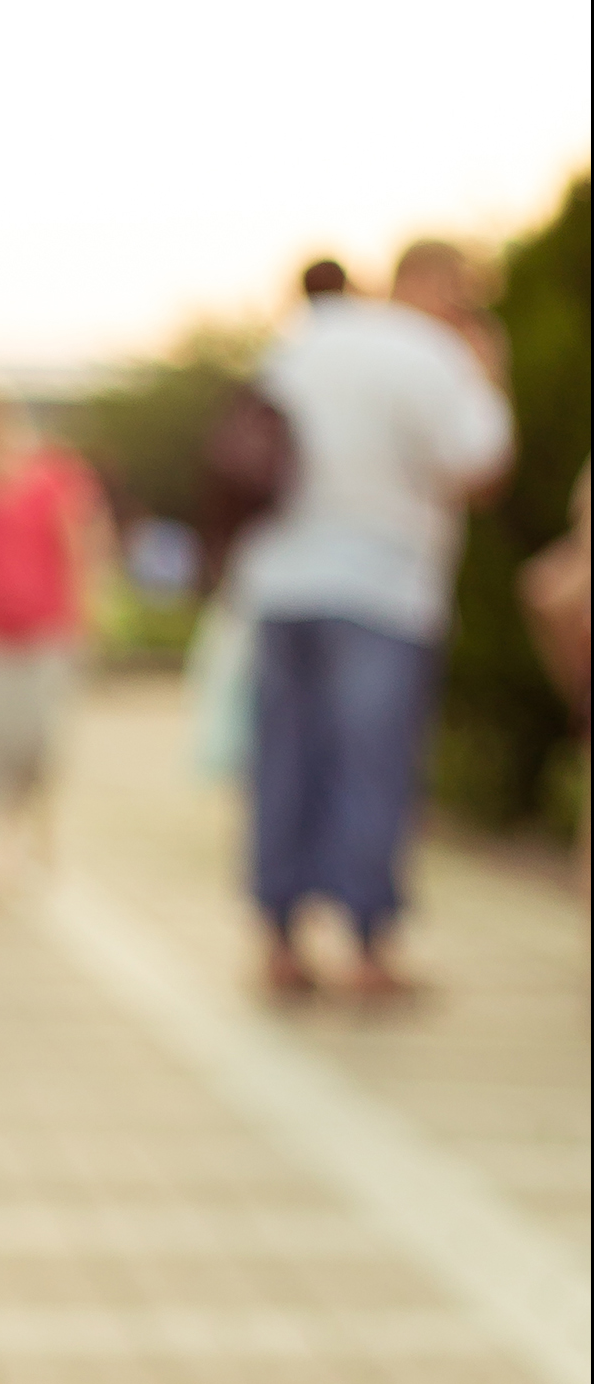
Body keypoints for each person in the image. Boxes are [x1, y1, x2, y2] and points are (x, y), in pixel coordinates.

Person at [237, 242, 511, 1001]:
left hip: (281, 582)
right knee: (372, 766)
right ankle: (367, 952)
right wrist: (486, 372)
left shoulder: (307, 341)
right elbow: (482, 464)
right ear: (440, 287)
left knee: (287, 761)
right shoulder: (432, 355)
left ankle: (279, 943)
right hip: (383, 588)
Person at [0, 398, 106, 895]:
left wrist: (86, 609)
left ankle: (33, 823)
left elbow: (80, 543)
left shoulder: (52, 477)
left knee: (39, 741)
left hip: (46, 632)